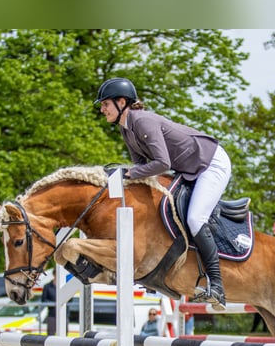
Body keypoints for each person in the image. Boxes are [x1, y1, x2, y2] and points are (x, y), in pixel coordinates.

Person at [95, 77, 230, 309]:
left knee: (195, 219)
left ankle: (217, 284)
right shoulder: (126, 129)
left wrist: (128, 173)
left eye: (105, 104)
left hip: (210, 163)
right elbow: (140, 167)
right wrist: (126, 175)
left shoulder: (143, 122)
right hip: (188, 169)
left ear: (121, 102)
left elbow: (161, 162)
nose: (101, 109)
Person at [41, 273, 57, 346]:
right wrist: (54, 303)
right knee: (50, 337)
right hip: (51, 314)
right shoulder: (47, 286)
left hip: (64, 315)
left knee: (65, 336)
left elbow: (70, 299)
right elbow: (44, 300)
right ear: (54, 275)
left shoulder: (64, 286)